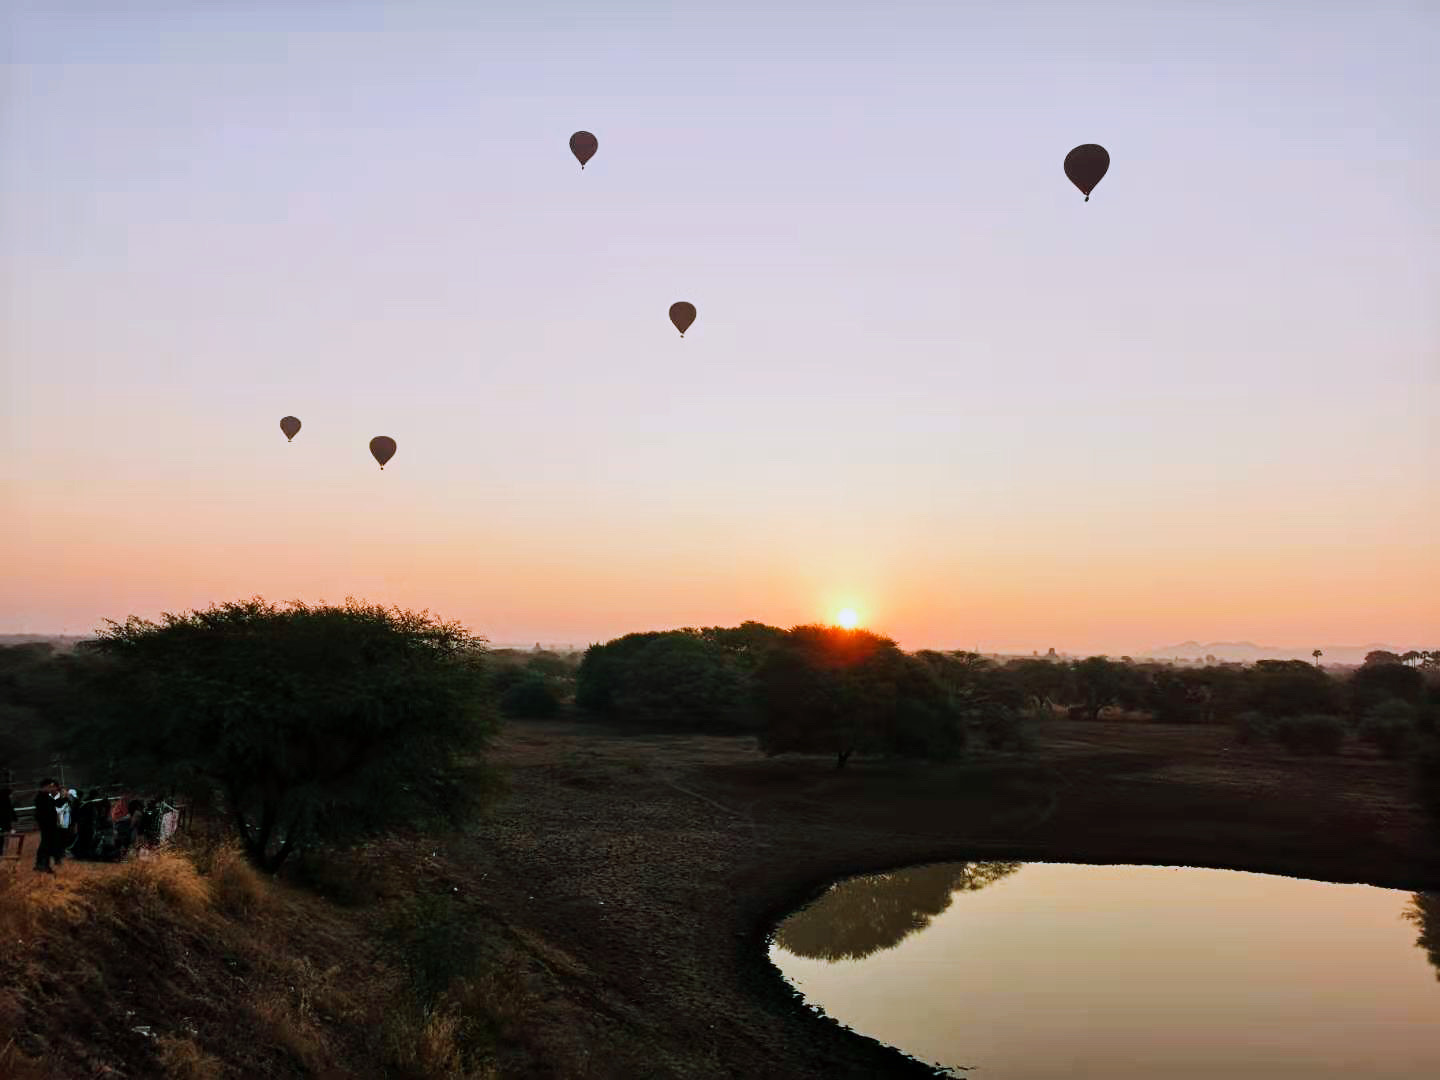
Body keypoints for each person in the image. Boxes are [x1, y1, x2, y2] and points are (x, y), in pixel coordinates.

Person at [32, 778, 64, 873]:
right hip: (47, 824)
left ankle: (43, 864)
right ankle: (42, 864)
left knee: (47, 844)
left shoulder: (46, 796)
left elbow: (56, 805)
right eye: (51, 787)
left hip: (49, 824)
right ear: (46, 786)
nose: (52, 789)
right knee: (46, 844)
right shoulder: (41, 797)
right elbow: (43, 812)